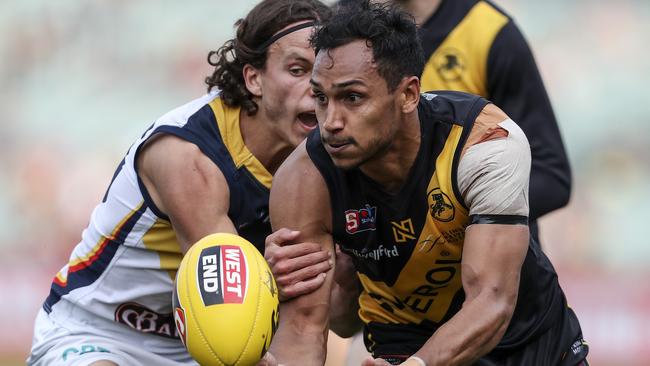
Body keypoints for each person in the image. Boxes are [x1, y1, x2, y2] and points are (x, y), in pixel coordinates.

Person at [266, 1, 588, 365]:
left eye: (352, 98)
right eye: (322, 98)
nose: (331, 122)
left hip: (525, 344)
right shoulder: (302, 177)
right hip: (403, 340)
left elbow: (491, 301)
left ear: (408, 94)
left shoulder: (485, 142)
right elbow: (305, 328)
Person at [26, 1, 332, 365]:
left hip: (196, 348)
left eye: (323, 73)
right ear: (254, 78)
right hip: (102, 332)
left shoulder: (325, 157)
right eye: (298, 69)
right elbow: (228, 301)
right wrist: (271, 273)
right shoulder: (188, 154)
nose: (314, 87)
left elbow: (310, 313)